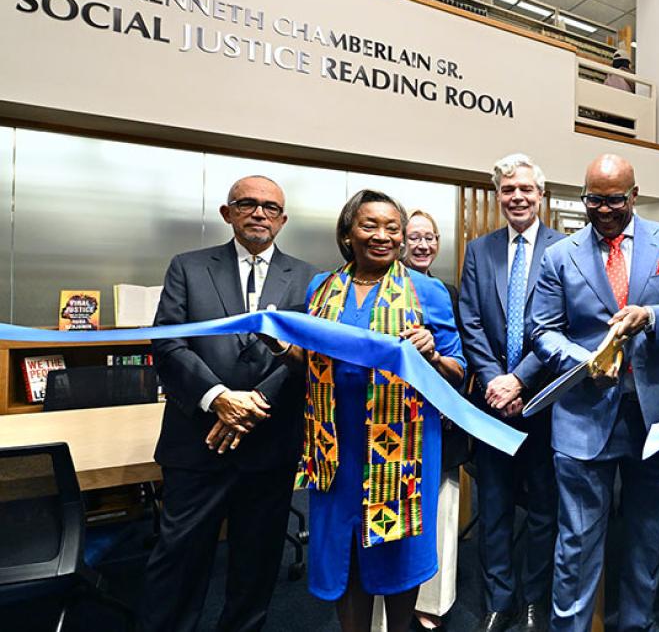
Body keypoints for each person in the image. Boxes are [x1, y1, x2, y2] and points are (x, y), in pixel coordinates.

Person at [530, 153, 659, 632]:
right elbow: (543, 329)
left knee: (648, 538)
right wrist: (583, 361)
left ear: (634, 195)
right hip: (583, 418)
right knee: (575, 542)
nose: (604, 210)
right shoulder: (560, 255)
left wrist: (653, 317)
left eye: (615, 200)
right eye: (594, 199)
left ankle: (635, 624)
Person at [142, 175, 318, 632]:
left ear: (282, 220)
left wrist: (256, 401)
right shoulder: (188, 266)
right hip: (197, 441)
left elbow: (310, 358)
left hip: (269, 442)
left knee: (257, 565)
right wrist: (218, 398)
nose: (259, 213)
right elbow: (168, 344)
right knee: (178, 559)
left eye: (270, 207)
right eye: (247, 204)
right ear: (227, 212)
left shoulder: (308, 278)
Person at [296, 190, 466, 632]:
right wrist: (282, 350)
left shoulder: (425, 291)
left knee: (398, 547)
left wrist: (430, 354)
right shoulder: (321, 288)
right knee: (345, 549)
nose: (382, 236)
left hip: (402, 448)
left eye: (393, 228)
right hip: (337, 444)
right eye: (370, 225)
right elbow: (309, 357)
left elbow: (457, 371)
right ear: (348, 232)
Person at [458, 154, 564, 632]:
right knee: (494, 506)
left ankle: (533, 601)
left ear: (540, 195)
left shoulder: (567, 249)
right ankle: (498, 600)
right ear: (499, 195)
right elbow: (470, 322)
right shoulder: (479, 251)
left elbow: (563, 324)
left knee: (544, 508)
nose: (516, 197)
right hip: (491, 406)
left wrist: (520, 379)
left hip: (545, 401)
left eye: (525, 189)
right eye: (508, 190)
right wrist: (495, 381)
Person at [403, 209, 468, 632]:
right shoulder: (381, 289)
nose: (423, 245)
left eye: (431, 237)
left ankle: (432, 602)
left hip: (440, 422)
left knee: (442, 511)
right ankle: (391, 597)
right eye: (415, 237)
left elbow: (462, 359)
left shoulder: (447, 292)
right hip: (391, 425)